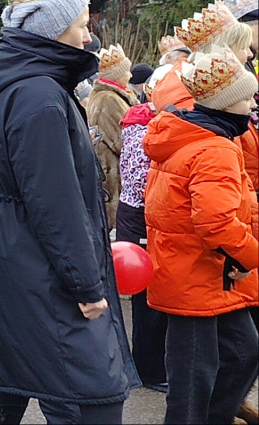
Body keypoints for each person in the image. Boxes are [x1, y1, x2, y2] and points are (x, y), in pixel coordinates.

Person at [0, 0, 138, 423]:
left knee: (13, 386)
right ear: (54, 26)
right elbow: (55, 204)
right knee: (93, 400)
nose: (89, 36)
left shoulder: (30, 86)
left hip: (27, 269)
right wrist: (86, 284)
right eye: (83, 23)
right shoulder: (39, 95)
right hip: (48, 277)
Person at [143, 46, 259, 425]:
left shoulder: (189, 137)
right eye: (246, 97)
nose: (252, 104)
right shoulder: (214, 148)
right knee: (194, 375)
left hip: (197, 269)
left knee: (242, 352)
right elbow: (216, 221)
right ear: (226, 104)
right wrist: (248, 256)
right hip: (196, 272)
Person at [115, 74, 166, 393]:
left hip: (142, 213)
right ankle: (147, 368)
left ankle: (150, 364)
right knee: (146, 297)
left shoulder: (145, 121)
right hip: (139, 215)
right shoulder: (142, 127)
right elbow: (138, 180)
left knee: (151, 297)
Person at [86, 44, 137, 232]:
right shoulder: (109, 100)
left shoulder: (107, 96)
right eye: (126, 71)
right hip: (113, 176)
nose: (130, 75)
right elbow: (122, 141)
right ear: (116, 75)